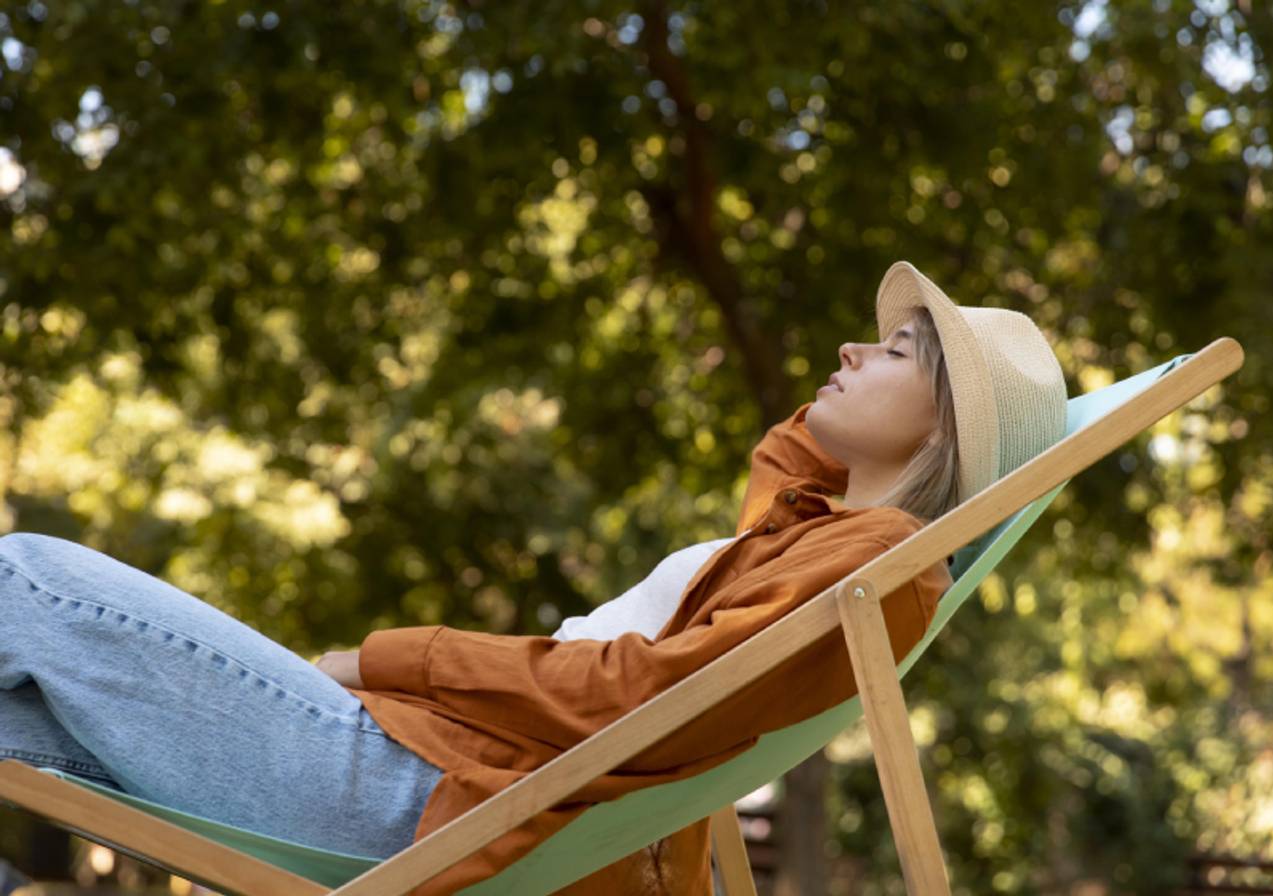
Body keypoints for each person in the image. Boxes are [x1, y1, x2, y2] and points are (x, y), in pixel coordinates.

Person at [0, 260, 1067, 894]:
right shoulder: (816, 542)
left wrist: (387, 656)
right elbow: (787, 459)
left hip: (433, 796)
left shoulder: (868, 567)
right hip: (438, 783)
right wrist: (890, 427)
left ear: (943, 425)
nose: (845, 348)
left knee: (29, 579)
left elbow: (637, 698)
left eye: (889, 353)